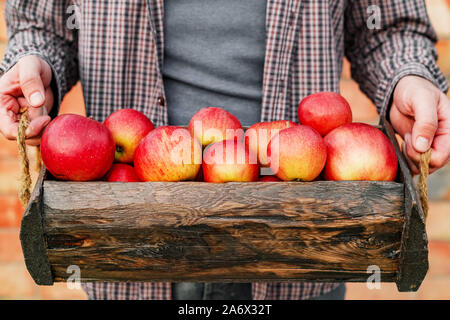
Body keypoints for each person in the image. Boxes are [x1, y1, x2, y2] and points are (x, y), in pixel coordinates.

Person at [0, 0, 449, 300]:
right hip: (134, 243)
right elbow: (42, 23)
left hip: (300, 244)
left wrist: (409, 78)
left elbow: (388, 26)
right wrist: (34, 63)